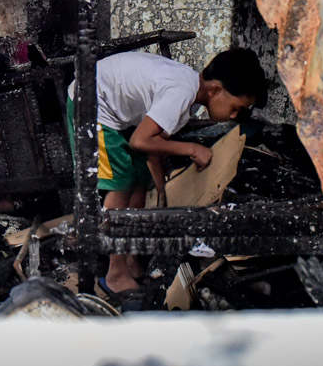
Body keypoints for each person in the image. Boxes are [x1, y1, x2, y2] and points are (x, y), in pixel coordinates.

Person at [65, 47, 267, 296]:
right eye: (235, 108)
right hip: (93, 105)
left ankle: (130, 258)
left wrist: (161, 188)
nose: (235, 115)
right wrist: (191, 149)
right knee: (121, 184)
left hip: (116, 111)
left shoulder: (189, 98)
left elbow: (154, 146)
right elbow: (140, 140)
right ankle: (115, 274)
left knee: (139, 181)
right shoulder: (181, 93)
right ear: (214, 90)